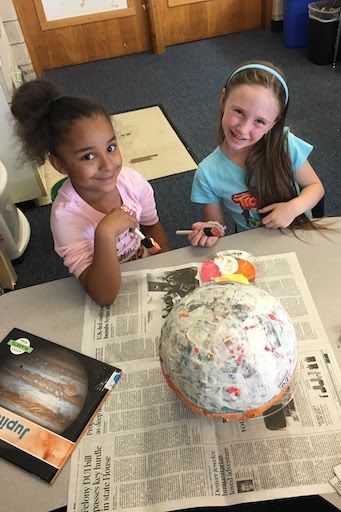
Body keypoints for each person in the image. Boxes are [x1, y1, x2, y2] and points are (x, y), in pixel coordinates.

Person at [11, 79, 170, 305]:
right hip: (108, 287)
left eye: (110, 148)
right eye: (88, 156)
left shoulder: (133, 182)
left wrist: (165, 263)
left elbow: (152, 225)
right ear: (61, 165)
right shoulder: (66, 218)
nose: (108, 165)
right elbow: (103, 296)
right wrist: (105, 232)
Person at [189, 61, 325, 247]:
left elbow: (315, 187)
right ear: (223, 99)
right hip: (253, 247)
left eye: (260, 121)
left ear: (274, 124)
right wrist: (211, 232)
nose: (243, 129)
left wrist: (293, 208)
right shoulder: (207, 173)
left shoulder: (285, 145)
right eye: (239, 111)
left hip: (300, 235)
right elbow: (217, 225)